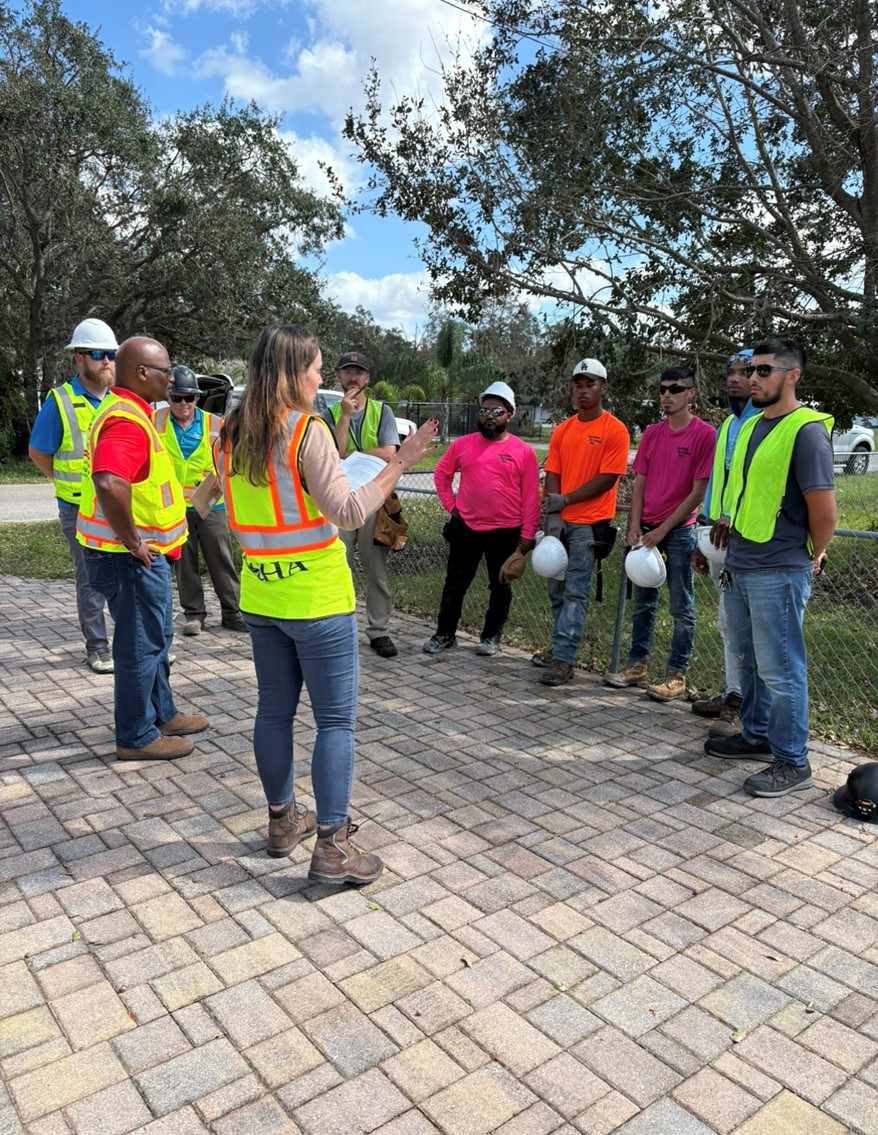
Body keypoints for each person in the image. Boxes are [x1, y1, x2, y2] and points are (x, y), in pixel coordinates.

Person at [217, 325, 437, 883]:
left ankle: (282, 822)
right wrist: (401, 461)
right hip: (316, 598)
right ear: (295, 373)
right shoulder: (305, 430)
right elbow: (349, 512)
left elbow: (203, 501)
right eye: (316, 370)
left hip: (261, 594)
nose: (322, 380)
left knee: (273, 712)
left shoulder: (230, 430)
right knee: (334, 722)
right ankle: (334, 848)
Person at [703, 337, 836, 798]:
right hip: (741, 562)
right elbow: (746, 492)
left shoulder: (806, 430)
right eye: (749, 370)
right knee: (750, 661)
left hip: (779, 569)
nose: (752, 378)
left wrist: (813, 553)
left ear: (792, 376)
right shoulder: (752, 425)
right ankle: (757, 735)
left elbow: (825, 512)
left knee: (781, 669)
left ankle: (793, 761)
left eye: (763, 371)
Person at [76, 337, 208, 761]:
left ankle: (162, 713)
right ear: (141, 373)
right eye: (165, 371)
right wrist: (133, 541)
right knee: (140, 647)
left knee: (156, 638)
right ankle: (136, 736)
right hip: (128, 558)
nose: (171, 379)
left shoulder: (136, 413)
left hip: (139, 557)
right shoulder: (127, 421)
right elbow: (108, 481)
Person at [606, 366, 716, 700]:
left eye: (675, 389)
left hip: (679, 531)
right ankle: (637, 666)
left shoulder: (704, 435)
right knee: (643, 603)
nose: (667, 395)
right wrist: (635, 525)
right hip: (646, 530)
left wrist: (664, 529)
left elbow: (698, 492)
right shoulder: (653, 433)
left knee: (682, 606)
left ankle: (676, 676)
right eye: (662, 389)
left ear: (691, 393)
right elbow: (639, 482)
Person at [423, 381, 541, 656]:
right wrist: (451, 505)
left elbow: (531, 499)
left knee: (500, 585)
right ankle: (445, 634)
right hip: (466, 527)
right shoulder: (462, 445)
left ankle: (491, 637)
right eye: (485, 410)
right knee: (454, 584)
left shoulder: (524, 452)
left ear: (510, 414)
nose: (489, 416)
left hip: (505, 530)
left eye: (496, 411)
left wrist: (527, 535)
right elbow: (441, 474)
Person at [28, 318, 118, 673]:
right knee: (91, 580)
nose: (106, 361)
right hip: (79, 509)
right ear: (78, 358)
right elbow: (38, 452)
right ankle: (98, 648)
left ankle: (133, 643)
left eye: (110, 354)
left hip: (120, 506)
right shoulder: (60, 401)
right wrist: (65, 481)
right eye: (97, 354)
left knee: (126, 577)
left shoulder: (120, 399)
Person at [533, 358, 630, 687]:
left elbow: (607, 479)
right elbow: (553, 472)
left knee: (575, 591)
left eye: (590, 384)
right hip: (560, 523)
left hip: (589, 525)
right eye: (578, 385)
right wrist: (555, 514)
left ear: (603, 389)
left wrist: (566, 501)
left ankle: (564, 658)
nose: (583, 391)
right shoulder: (563, 430)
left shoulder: (614, 430)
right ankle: (561, 645)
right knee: (555, 588)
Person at [690, 349, 759, 736]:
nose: (735, 378)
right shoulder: (728, 426)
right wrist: (703, 536)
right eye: (730, 372)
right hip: (716, 537)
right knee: (727, 622)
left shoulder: (764, 424)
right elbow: (717, 484)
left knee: (748, 625)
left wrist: (732, 517)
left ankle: (745, 702)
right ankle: (733, 692)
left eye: (744, 371)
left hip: (750, 541)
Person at [152, 365, 245, 635]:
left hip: (210, 505)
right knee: (185, 564)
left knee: (221, 560)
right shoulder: (153, 422)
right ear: (168, 397)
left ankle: (233, 613)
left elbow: (234, 458)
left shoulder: (216, 424)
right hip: (174, 507)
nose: (183, 403)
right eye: (177, 398)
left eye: (189, 398)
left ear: (197, 397)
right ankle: (194, 614)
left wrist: (223, 478)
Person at [322, 352, 401, 659]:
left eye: (359, 372)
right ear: (338, 377)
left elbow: (389, 453)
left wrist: (352, 457)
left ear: (368, 378)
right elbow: (333, 453)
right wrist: (344, 416)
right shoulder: (329, 414)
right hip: (339, 500)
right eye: (347, 372)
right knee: (337, 568)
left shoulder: (382, 412)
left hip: (373, 500)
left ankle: (379, 631)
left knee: (375, 570)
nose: (353, 377)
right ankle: (338, 628)